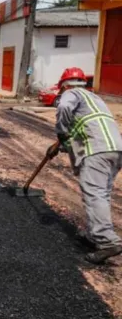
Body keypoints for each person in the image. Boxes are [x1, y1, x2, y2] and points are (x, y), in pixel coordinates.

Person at [47, 67, 122, 264]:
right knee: (101, 193)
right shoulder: (95, 99)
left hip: (97, 150)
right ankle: (92, 235)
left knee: (94, 193)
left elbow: (63, 109)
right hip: (115, 149)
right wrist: (62, 145)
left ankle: (107, 242)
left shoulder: (71, 93)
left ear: (65, 85)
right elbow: (83, 129)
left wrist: (60, 132)